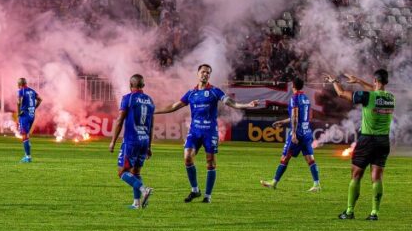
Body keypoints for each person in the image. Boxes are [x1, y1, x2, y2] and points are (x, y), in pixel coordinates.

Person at [154, 64, 260, 202]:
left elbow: (231, 103)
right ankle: (195, 190)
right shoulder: (191, 93)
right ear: (198, 73)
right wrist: (155, 111)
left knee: (210, 163)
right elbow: (174, 106)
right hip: (194, 132)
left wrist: (247, 105)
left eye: (208, 73)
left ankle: (208, 196)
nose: (205, 74)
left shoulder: (215, 91)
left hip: (210, 132)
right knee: (187, 157)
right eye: (203, 72)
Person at [329, 70, 395, 220]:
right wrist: (359, 81)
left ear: (375, 80)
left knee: (356, 175)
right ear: (386, 82)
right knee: (377, 178)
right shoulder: (391, 98)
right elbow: (376, 91)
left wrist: (334, 81)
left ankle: (349, 211)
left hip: (367, 140)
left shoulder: (367, 96)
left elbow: (341, 94)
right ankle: (374, 213)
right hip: (383, 141)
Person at [260, 77, 321, 192]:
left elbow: (295, 116)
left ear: (292, 86)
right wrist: (282, 122)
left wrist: (293, 133)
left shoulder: (294, 98)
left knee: (285, 157)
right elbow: (306, 116)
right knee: (310, 159)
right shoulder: (306, 99)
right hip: (307, 131)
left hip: (297, 133)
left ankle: (274, 183)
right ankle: (317, 184)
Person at [108, 74, 155, 209]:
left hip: (131, 140)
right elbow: (151, 125)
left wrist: (113, 141)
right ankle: (136, 203)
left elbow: (120, 120)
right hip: (144, 140)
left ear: (130, 85)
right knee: (136, 172)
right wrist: (149, 146)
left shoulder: (128, 98)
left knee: (122, 172)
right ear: (143, 86)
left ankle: (144, 189)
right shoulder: (150, 100)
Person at [15, 77, 41, 163]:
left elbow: (19, 102)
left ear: (19, 84)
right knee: (27, 135)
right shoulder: (32, 91)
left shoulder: (21, 91)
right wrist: (34, 108)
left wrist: (18, 112)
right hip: (32, 115)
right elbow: (40, 100)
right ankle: (27, 155)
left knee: (24, 135)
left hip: (24, 115)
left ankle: (28, 157)